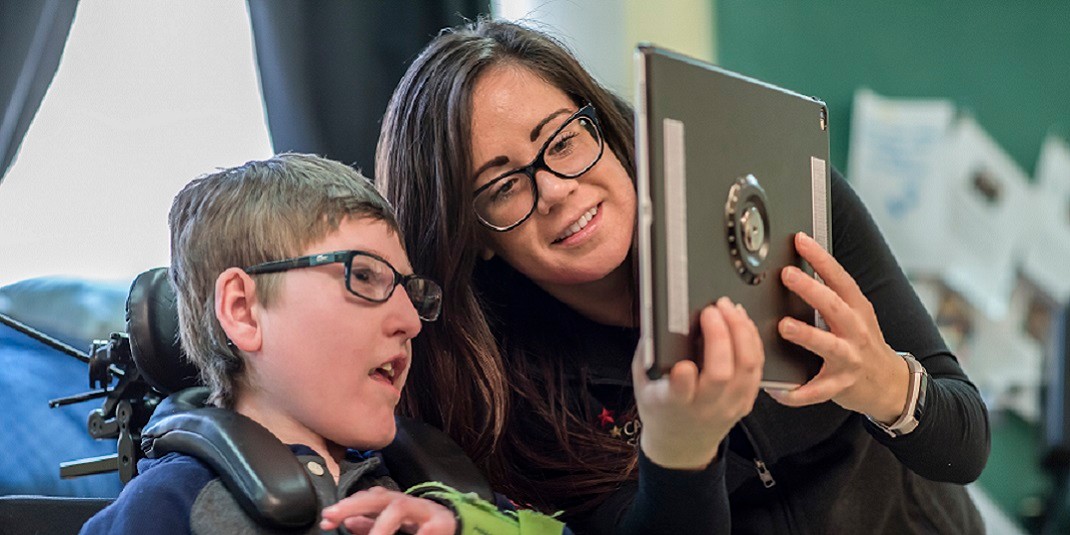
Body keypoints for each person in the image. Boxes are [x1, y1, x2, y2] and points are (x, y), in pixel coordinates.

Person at [374, 19, 991, 534]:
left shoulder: (789, 208)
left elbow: (965, 442)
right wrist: (679, 451)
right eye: (504, 186)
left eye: (562, 140)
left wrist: (882, 383)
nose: (559, 190)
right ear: (472, 236)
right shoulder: (504, 395)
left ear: (604, 129)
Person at [80, 153, 569, 535]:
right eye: (364, 276)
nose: (409, 321)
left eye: (409, 291)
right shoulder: (171, 505)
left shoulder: (435, 488)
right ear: (243, 311)